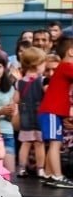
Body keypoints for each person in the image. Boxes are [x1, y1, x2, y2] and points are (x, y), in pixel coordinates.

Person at [37, 33, 73, 188]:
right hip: (51, 111)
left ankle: (50, 174)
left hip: (53, 112)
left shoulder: (63, 68)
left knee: (54, 143)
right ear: (71, 52)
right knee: (55, 143)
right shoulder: (65, 66)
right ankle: (57, 176)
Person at [14, 47, 46, 179]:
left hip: (25, 116)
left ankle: (22, 168)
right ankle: (40, 169)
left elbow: (16, 99)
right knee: (39, 143)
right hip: (39, 116)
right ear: (37, 64)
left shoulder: (19, 82)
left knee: (25, 143)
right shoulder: (42, 80)